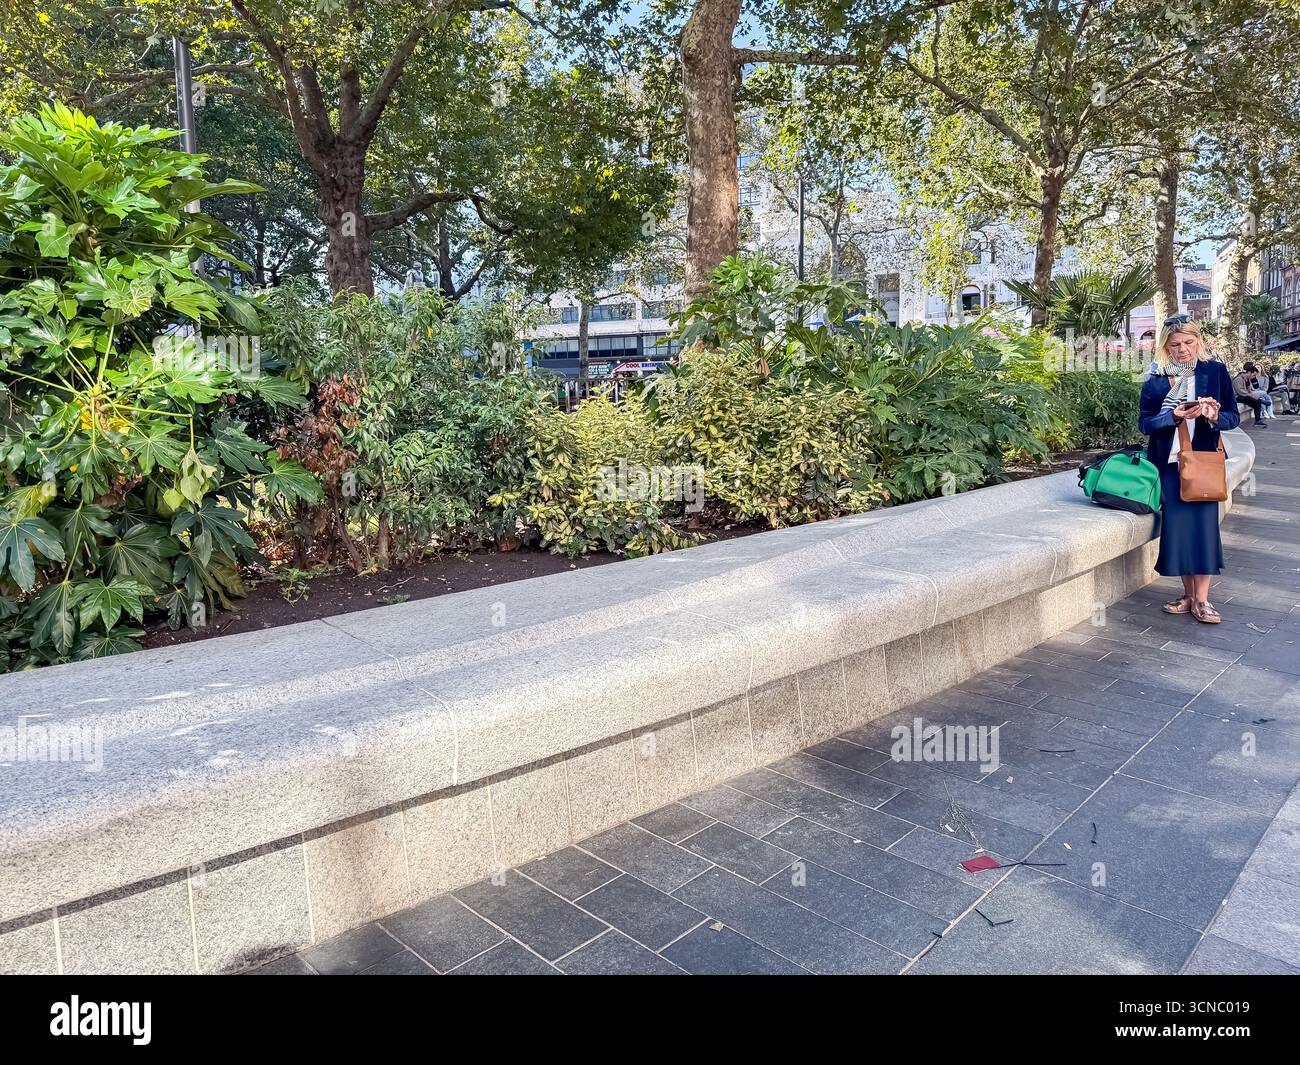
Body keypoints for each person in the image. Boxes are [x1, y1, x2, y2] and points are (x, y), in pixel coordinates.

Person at [1139, 317, 1240, 624]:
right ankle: (1188, 595)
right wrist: (1172, 416)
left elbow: (1233, 417)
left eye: (1188, 343)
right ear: (1165, 347)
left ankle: (1203, 600)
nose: (1182, 350)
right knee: (1179, 530)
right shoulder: (1155, 377)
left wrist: (1212, 416)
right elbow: (1145, 424)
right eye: (1175, 345)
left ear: (1199, 342)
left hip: (1204, 462)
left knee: (1205, 530)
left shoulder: (1215, 371)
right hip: (1169, 465)